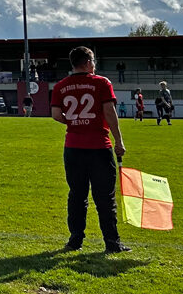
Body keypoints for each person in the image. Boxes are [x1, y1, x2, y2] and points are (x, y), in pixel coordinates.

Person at [51, 46, 129, 254]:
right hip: (98, 146)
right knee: (105, 197)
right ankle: (112, 243)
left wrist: (74, 121)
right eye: (93, 61)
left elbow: (56, 114)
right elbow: (109, 112)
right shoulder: (101, 83)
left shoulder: (61, 86)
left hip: (73, 147)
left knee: (77, 195)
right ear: (87, 62)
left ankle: (75, 240)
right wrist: (119, 141)